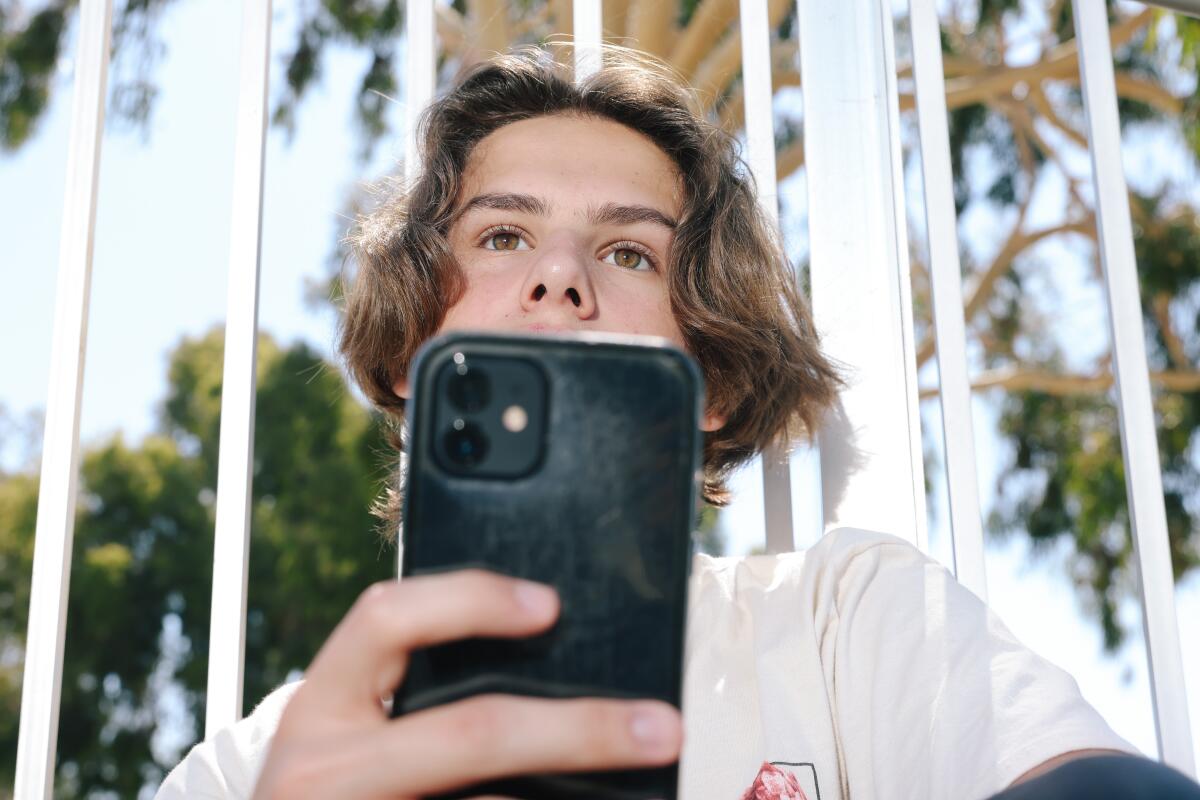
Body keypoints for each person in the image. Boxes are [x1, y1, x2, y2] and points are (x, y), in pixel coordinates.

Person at [156, 46, 1200, 800]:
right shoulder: (256, 768)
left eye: (628, 254)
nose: (560, 275)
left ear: (709, 380)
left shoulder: (848, 618)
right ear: (408, 347)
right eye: (504, 232)